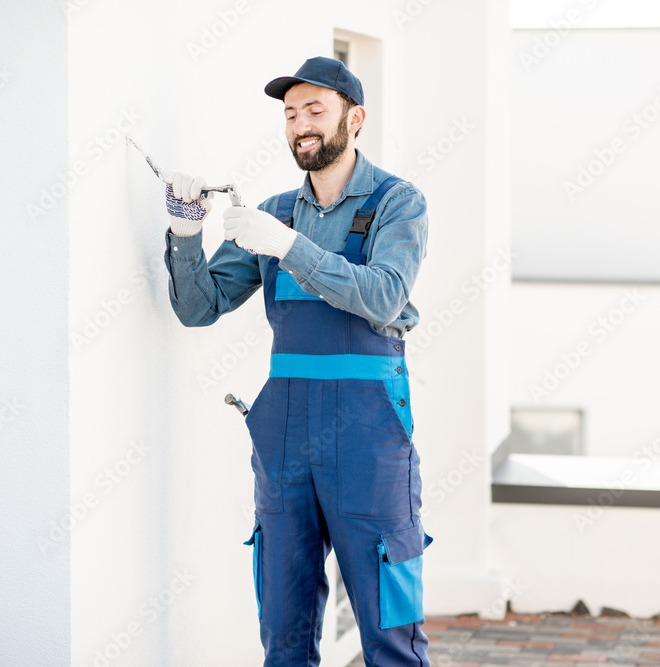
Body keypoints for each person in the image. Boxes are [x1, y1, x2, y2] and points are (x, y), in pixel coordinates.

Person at [162, 56, 432, 666]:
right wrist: (186, 228)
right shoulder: (275, 210)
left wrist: (288, 246)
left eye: (316, 109)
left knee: (390, 624)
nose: (300, 125)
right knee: (283, 628)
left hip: (370, 436)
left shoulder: (398, 204)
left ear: (353, 118)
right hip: (284, 436)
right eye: (290, 114)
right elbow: (199, 308)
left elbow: (385, 295)